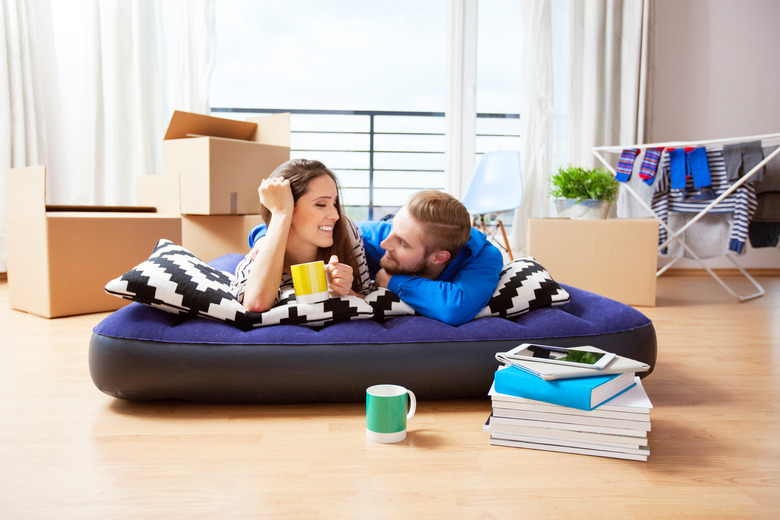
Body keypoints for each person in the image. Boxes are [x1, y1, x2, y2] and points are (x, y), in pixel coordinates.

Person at [231, 159, 373, 312]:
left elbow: (368, 299)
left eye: (334, 203)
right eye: (321, 204)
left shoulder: (346, 231)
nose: (335, 215)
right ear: (288, 207)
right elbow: (255, 304)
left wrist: (347, 291)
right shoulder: (259, 255)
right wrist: (280, 213)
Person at [358, 190, 504, 326]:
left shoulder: (483, 256)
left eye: (402, 242)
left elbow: (455, 308)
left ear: (439, 257)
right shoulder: (367, 238)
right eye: (393, 228)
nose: (385, 244)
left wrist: (391, 281)